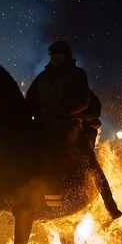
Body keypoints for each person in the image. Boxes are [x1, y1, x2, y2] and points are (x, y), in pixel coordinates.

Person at [26, 40, 90, 175]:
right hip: (42, 122)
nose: (55, 58)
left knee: (62, 143)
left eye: (58, 55)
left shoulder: (77, 74)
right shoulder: (42, 77)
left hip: (68, 122)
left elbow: (83, 101)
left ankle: (70, 179)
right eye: (53, 55)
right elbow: (29, 102)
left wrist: (57, 111)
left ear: (66, 56)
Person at [76, 89, 122, 219]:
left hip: (80, 133)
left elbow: (95, 111)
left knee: (92, 165)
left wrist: (74, 116)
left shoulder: (80, 83)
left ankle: (110, 205)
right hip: (50, 129)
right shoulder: (45, 80)